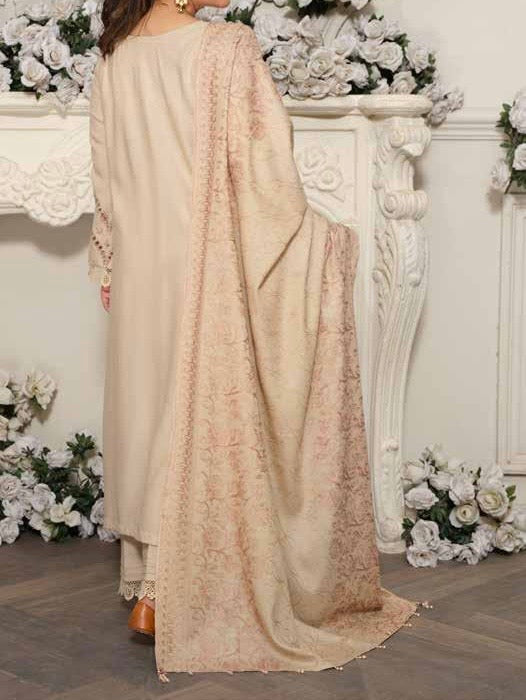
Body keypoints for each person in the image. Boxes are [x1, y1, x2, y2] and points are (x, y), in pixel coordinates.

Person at [88, 0, 418, 681]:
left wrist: (111, 264)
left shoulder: (115, 55)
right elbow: (268, 177)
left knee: (153, 414)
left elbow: (106, 178)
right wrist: (327, 241)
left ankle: (153, 586)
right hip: (206, 267)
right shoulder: (225, 48)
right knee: (195, 417)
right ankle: (168, 595)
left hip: (142, 267)